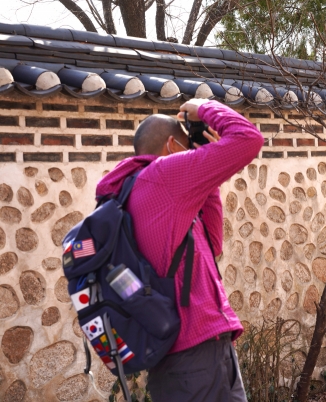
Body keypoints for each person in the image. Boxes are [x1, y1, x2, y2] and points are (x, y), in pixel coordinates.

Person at [95, 98, 264, 401]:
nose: (191, 153)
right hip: (194, 358)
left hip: (192, 356)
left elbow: (211, 247)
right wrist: (203, 106)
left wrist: (207, 177)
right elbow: (248, 139)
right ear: (172, 146)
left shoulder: (141, 190)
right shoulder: (163, 176)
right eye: (188, 145)